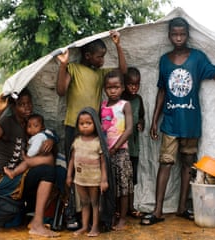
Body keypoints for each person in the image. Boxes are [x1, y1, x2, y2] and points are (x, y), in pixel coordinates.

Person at [141, 17, 215, 225]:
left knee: (188, 164)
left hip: (191, 122)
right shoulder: (164, 60)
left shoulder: (197, 58)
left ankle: (182, 208)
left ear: (188, 35)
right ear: (169, 35)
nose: (178, 38)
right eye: (174, 34)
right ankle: (158, 210)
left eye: (182, 34)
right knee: (165, 163)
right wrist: (154, 120)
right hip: (170, 121)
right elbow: (162, 90)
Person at [0, 88, 60, 237]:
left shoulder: (31, 125)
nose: (27, 107)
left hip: (16, 177)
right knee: (47, 171)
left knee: (55, 171)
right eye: (21, 104)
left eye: (29, 103)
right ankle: (36, 224)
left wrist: (51, 140)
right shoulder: (6, 122)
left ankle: (35, 219)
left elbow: (48, 137)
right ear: (13, 107)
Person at [56, 30, 127, 163]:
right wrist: (63, 65)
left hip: (94, 126)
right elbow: (61, 91)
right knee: (73, 163)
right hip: (73, 126)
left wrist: (118, 45)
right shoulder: (73, 68)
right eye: (100, 57)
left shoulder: (100, 74)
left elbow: (122, 72)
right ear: (88, 56)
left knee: (91, 163)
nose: (102, 60)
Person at [66, 107, 109, 237]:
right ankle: (84, 226)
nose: (85, 126)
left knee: (95, 204)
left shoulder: (98, 142)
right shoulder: (77, 141)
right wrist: (69, 175)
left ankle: (95, 227)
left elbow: (103, 162)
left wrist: (104, 180)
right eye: (82, 123)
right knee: (84, 203)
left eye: (88, 123)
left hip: (94, 179)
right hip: (80, 179)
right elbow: (72, 159)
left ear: (95, 124)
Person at [101, 70, 133, 230]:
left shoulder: (124, 105)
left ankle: (122, 219)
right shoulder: (102, 106)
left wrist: (114, 147)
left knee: (123, 187)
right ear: (105, 89)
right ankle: (112, 215)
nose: (112, 90)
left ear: (122, 88)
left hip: (120, 152)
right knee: (111, 187)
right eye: (109, 87)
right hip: (106, 154)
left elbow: (128, 130)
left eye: (116, 87)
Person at [121, 67, 145, 218]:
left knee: (132, 179)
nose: (134, 87)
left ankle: (130, 207)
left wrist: (141, 124)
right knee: (121, 179)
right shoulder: (120, 99)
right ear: (124, 84)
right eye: (131, 84)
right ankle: (121, 209)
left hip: (134, 148)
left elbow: (141, 117)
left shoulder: (138, 99)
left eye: (137, 84)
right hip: (121, 147)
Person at [3, 113, 56, 179]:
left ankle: (13, 173)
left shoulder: (39, 136)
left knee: (26, 163)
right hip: (41, 160)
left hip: (41, 159)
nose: (32, 129)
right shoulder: (38, 136)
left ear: (42, 127)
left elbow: (34, 149)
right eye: (29, 126)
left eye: (36, 126)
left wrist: (26, 156)